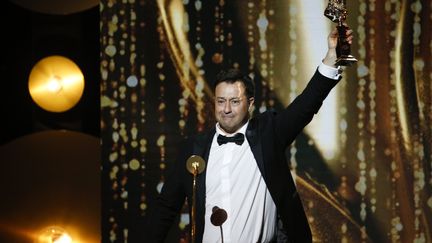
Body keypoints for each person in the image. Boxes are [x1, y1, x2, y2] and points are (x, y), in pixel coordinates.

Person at [147, 27, 353, 243]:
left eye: (235, 101)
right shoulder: (193, 148)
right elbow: (166, 208)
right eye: (221, 101)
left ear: (250, 104)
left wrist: (331, 58)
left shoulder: (268, 134)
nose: (226, 109)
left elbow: (305, 105)